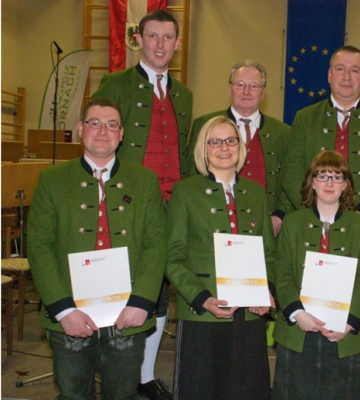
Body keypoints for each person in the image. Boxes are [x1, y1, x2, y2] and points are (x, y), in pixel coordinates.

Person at [28, 98, 166, 399]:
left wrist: (142, 303)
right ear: (80, 129)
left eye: (112, 125)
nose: (103, 131)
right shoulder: (51, 180)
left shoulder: (144, 181)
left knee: (123, 394)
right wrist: (63, 309)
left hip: (128, 313)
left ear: (122, 134)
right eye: (94, 123)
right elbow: (39, 246)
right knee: (73, 394)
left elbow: (157, 245)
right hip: (70, 313)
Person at [93, 10, 193, 398]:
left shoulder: (184, 94)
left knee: (158, 285)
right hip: (127, 204)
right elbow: (100, 139)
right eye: (153, 36)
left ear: (177, 43)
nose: (160, 44)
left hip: (171, 205)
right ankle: (113, 372)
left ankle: (144, 375)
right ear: (139, 38)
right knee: (121, 286)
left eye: (168, 37)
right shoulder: (115, 83)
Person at [166, 115, 276, 399]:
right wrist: (201, 298)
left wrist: (267, 292)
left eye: (230, 140)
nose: (223, 147)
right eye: (214, 141)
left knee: (247, 389)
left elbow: (269, 254)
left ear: (240, 146)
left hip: (250, 316)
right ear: (203, 149)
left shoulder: (255, 193)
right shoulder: (185, 191)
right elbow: (172, 257)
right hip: (202, 313)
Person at [272, 150, 360, 400]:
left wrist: (349, 321)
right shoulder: (293, 223)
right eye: (322, 176)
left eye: (337, 177)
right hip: (297, 332)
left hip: (345, 335)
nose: (329, 183)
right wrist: (298, 313)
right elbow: (282, 273)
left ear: (346, 185)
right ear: (311, 182)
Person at [282, 45, 360, 221]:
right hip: (312, 222)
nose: (347, 77)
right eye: (340, 69)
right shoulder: (305, 118)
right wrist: (313, 210)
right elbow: (291, 172)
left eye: (355, 70)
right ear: (329, 75)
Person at [188, 60, 292, 235]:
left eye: (254, 86)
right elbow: (192, 177)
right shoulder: (204, 125)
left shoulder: (283, 133)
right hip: (213, 225)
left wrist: (279, 216)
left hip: (266, 228)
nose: (246, 92)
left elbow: (290, 181)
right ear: (229, 88)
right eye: (240, 84)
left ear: (263, 93)